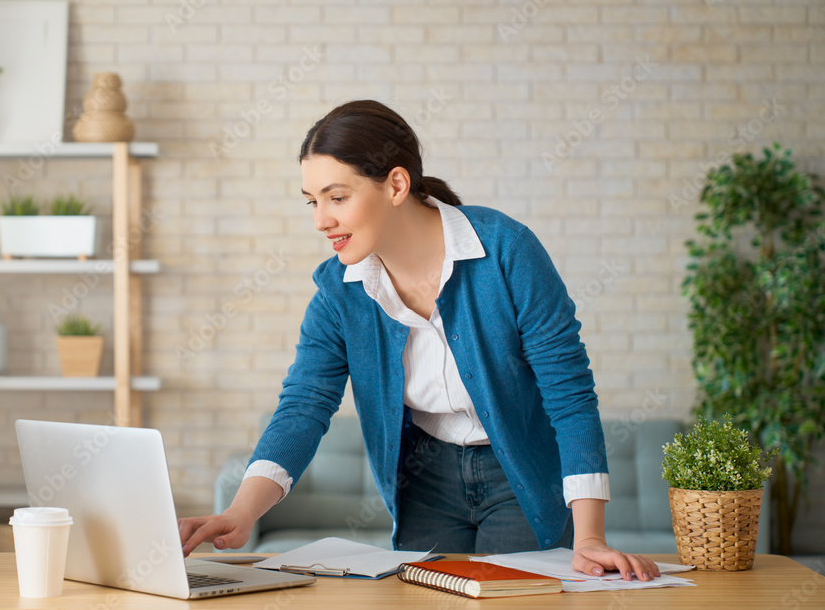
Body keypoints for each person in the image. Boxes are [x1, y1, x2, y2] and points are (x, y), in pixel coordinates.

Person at [179, 100, 660, 581]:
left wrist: (590, 536)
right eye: (312, 200)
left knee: (511, 597)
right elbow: (304, 404)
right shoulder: (338, 291)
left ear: (396, 184)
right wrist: (240, 513)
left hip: (519, 474)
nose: (320, 220)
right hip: (425, 479)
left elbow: (569, 394)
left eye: (337, 197)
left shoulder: (506, 251)